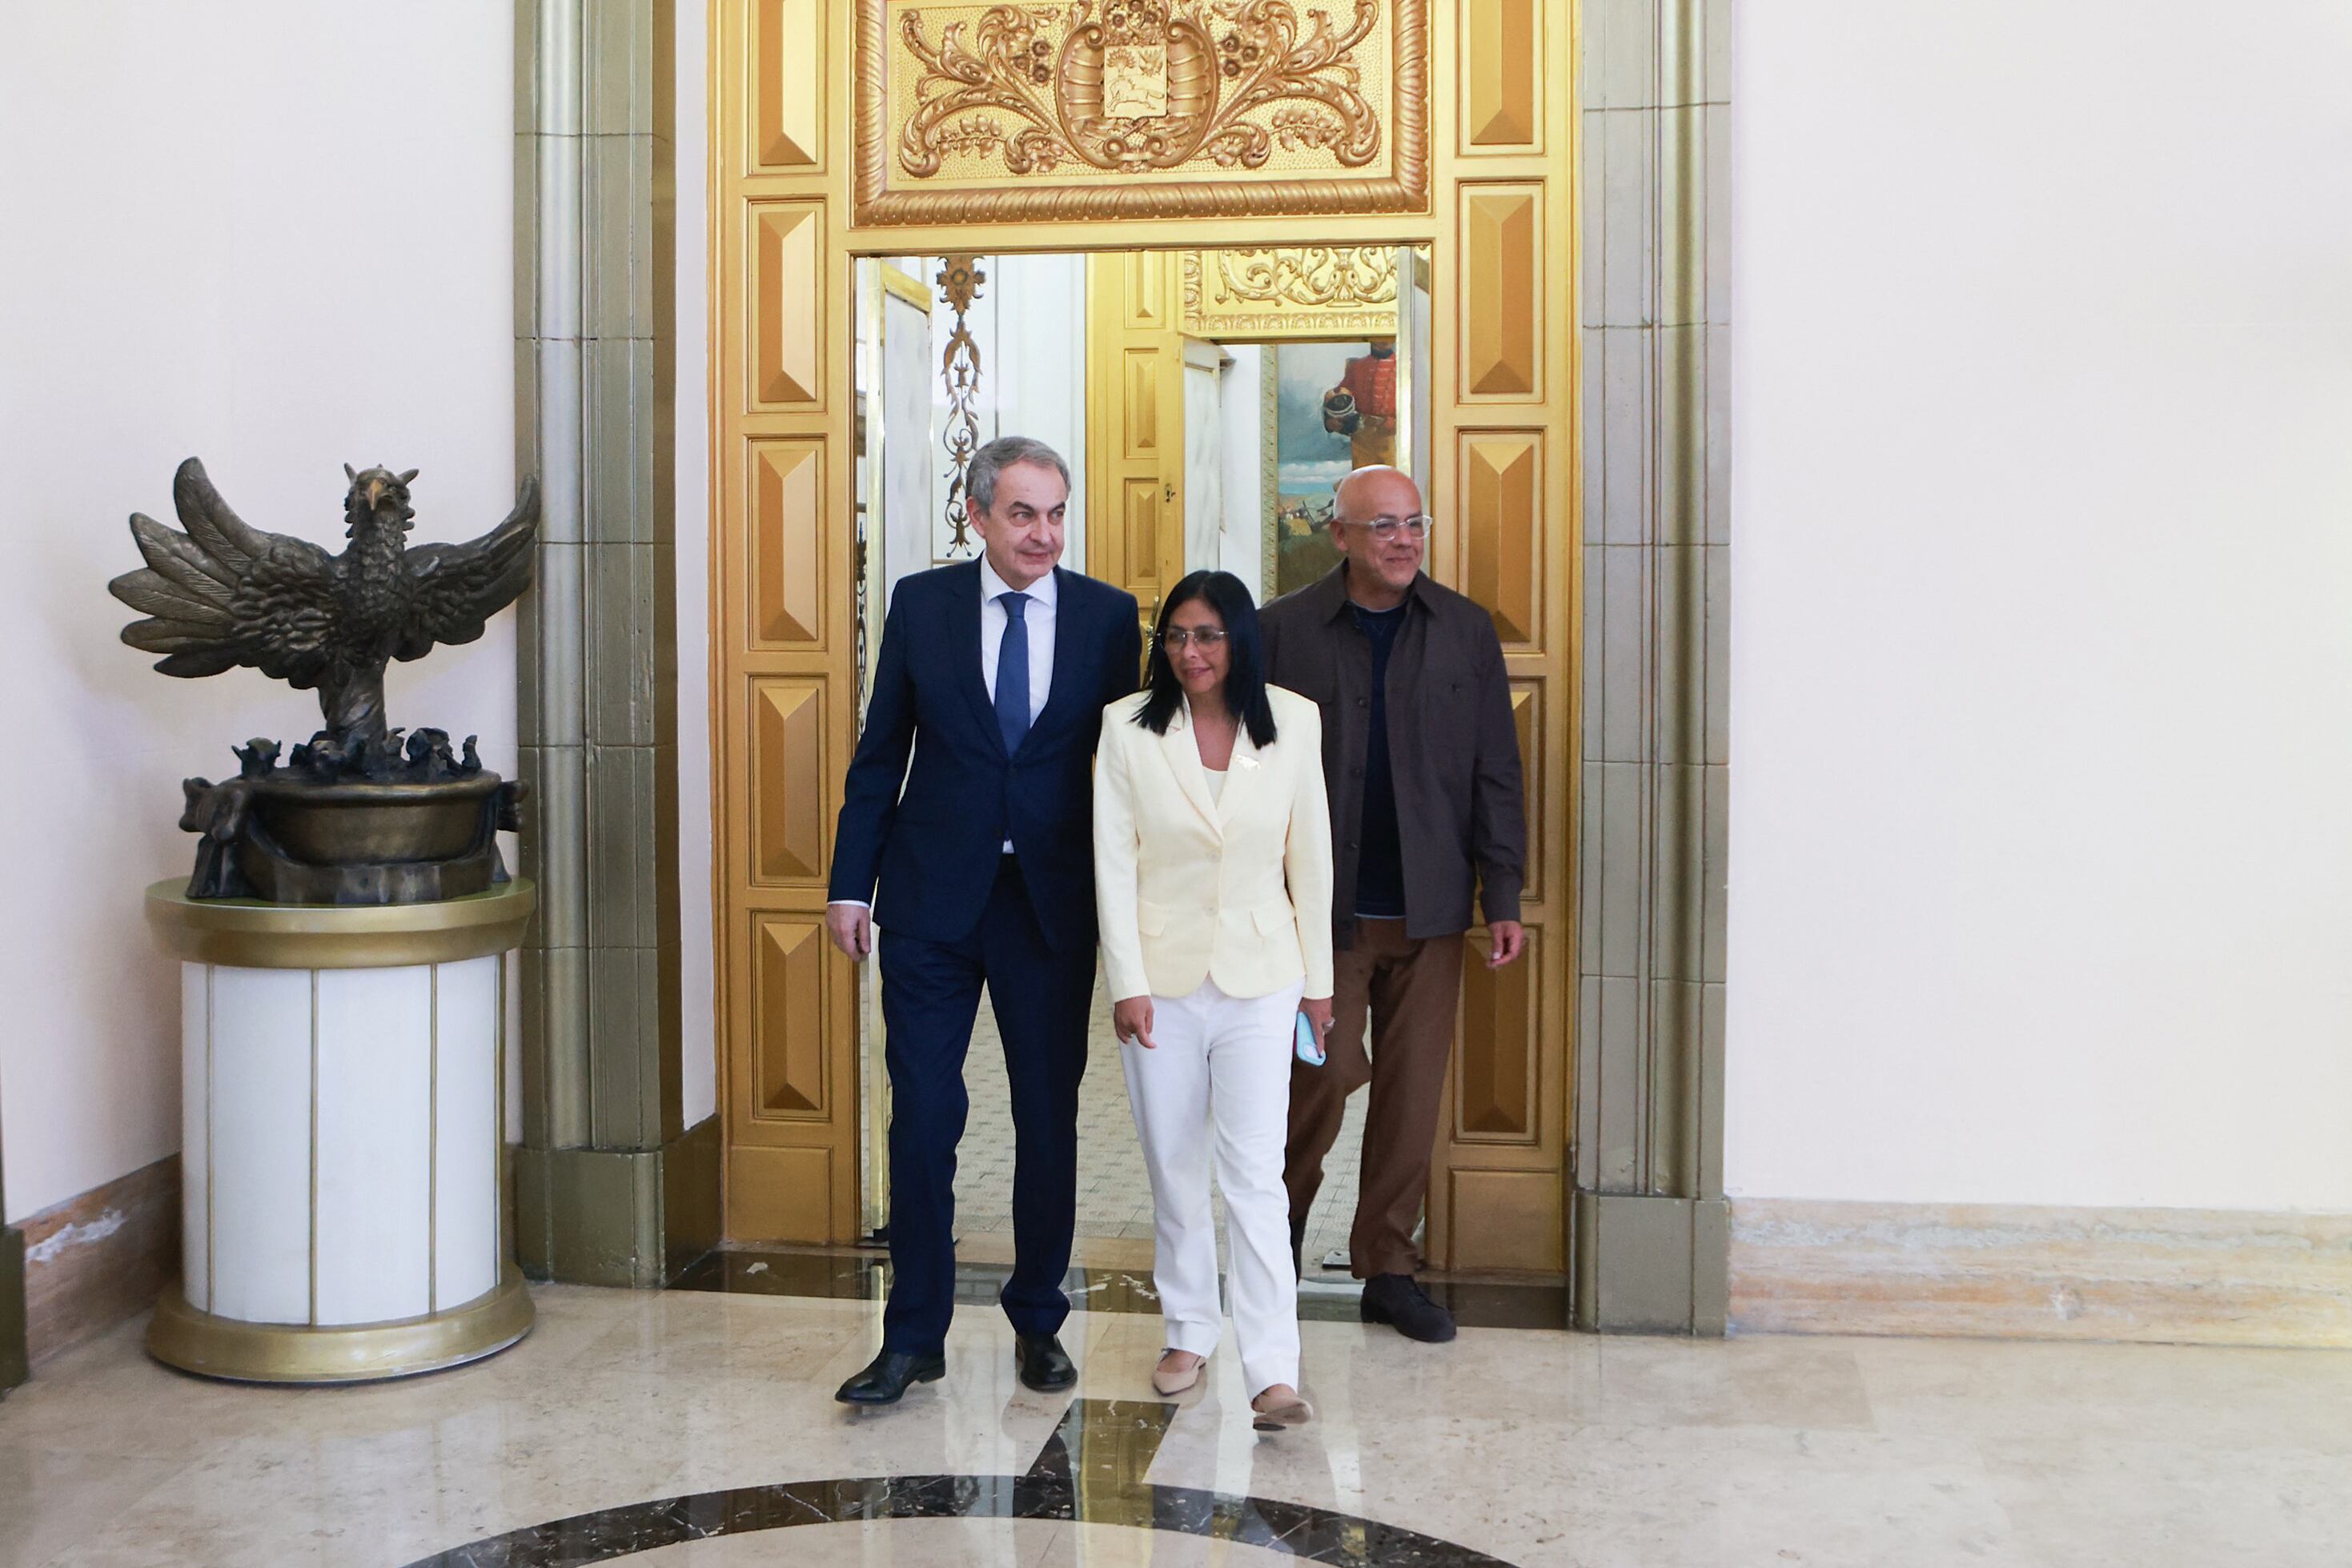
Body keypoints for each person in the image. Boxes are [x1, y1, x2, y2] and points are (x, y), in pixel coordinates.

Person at [825, 436, 1142, 1406]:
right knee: (924, 1115)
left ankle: (1038, 1319)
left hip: (1049, 903)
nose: (1044, 534)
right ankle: (912, 1335)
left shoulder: (1106, 617)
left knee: (1046, 1118)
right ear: (977, 516)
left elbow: (1130, 771)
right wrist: (850, 884)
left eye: (1056, 513)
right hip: (931, 899)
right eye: (1023, 514)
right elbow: (882, 751)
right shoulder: (921, 605)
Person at [1261, 465, 1528, 1344]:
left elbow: (1496, 768)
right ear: (1339, 535)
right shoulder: (1281, 632)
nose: (1404, 539)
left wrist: (1502, 891)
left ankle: (1386, 1268)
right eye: (1383, 526)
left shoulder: (1465, 631)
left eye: (1414, 522)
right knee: (1318, 1080)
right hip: (1319, 917)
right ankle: (1275, 1247)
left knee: (1412, 1101)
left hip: (1430, 910)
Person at [1094, 571, 1334, 1430]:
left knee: (1255, 1173)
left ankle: (1273, 1368)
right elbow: (1112, 863)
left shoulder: (1293, 720)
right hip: (1160, 981)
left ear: (1239, 639)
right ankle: (1189, 1330)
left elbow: (1311, 856)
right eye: (1175, 636)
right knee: (1173, 1163)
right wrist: (1126, 982)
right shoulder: (1127, 727)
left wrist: (1319, 985)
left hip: (1262, 976)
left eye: (1206, 635)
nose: (1189, 653)